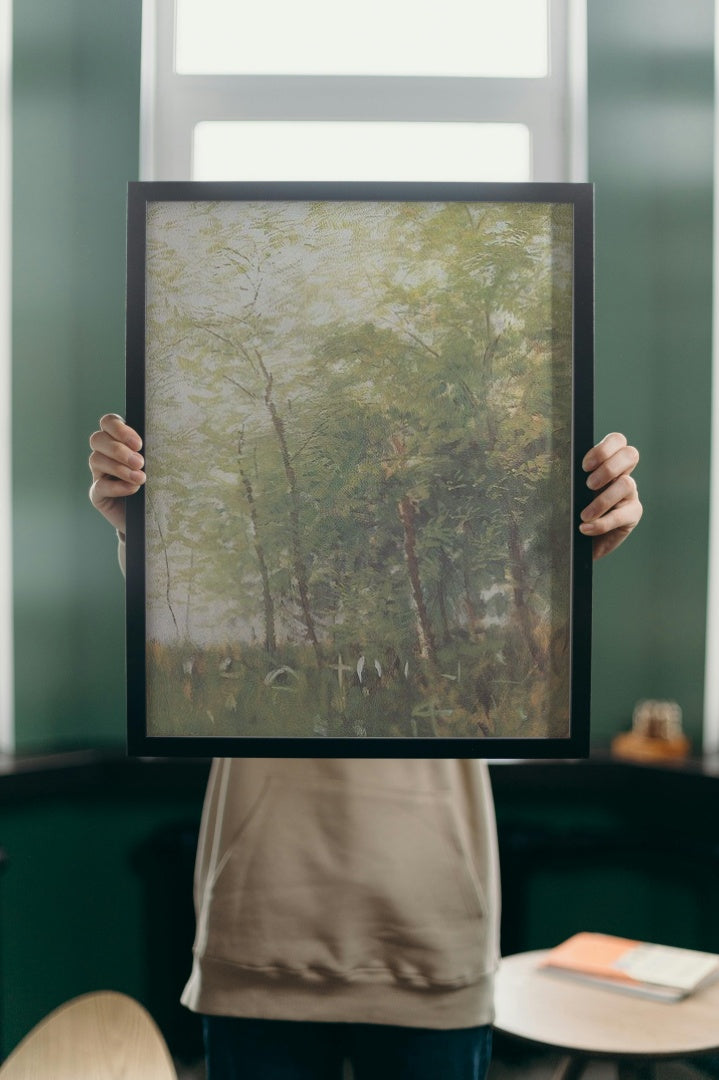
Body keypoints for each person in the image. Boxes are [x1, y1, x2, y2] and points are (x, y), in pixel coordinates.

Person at [89, 416, 642, 1080]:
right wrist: (139, 523)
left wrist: (569, 552)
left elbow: (512, 640)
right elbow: (184, 610)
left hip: (433, 932)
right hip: (262, 929)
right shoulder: (247, 522)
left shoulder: (462, 537)